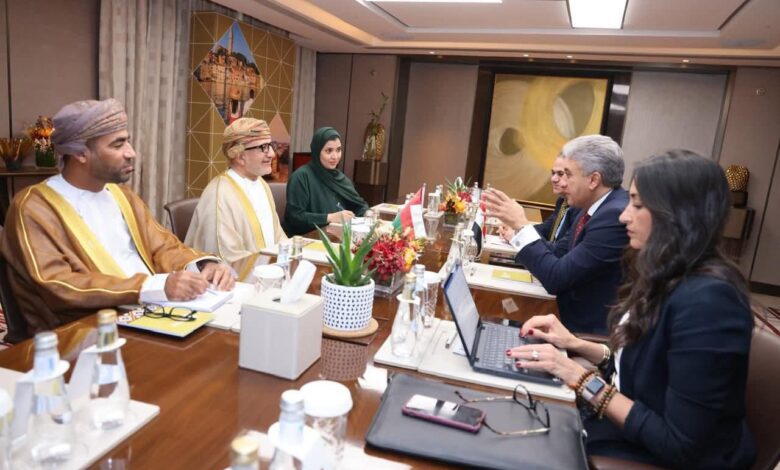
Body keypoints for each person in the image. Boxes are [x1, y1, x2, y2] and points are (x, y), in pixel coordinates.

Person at [508, 150, 755, 468]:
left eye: (637, 204)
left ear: (677, 214)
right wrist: (575, 344)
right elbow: (645, 366)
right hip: (624, 430)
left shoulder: (710, 302)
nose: (624, 216)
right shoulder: (669, 273)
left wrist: (578, 377)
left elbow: (679, 444)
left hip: (652, 456)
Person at [0, 98, 234, 337]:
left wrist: (203, 265)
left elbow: (163, 246)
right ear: (80, 153)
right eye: (118, 145)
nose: (131, 153)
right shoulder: (33, 207)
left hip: (154, 311)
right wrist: (151, 287)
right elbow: (57, 283)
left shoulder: (121, 195)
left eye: (127, 141)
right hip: (85, 332)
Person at [485, 135, 629, 334]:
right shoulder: (589, 208)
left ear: (593, 180)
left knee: (497, 318)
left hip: (585, 333)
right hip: (563, 317)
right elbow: (559, 252)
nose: (561, 182)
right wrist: (520, 231)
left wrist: (521, 225)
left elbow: (556, 278)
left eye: (568, 174)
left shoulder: (613, 216)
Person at [185, 118, 287, 262]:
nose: (271, 154)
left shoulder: (261, 184)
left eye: (271, 145)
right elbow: (226, 259)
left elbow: (278, 236)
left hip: (269, 269)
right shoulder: (219, 196)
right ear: (240, 156)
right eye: (263, 147)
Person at [283, 127, 368, 236]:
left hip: (335, 237)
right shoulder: (301, 177)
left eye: (338, 150)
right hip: (306, 239)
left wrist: (367, 215)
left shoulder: (340, 178)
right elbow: (295, 217)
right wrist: (330, 218)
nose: (335, 156)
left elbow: (359, 206)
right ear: (317, 151)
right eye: (329, 151)